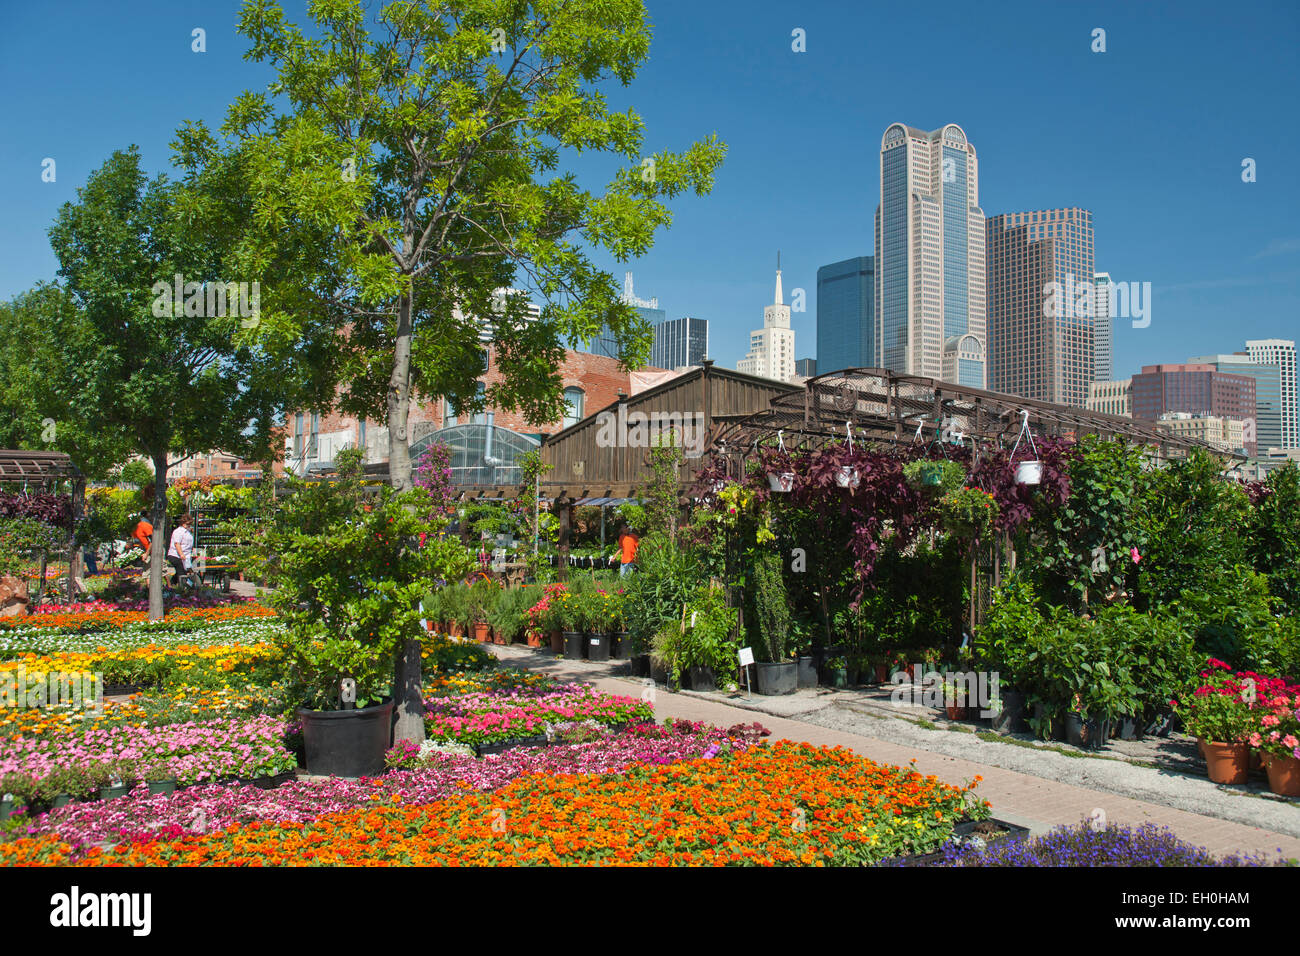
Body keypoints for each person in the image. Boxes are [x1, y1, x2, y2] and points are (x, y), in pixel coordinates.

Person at [167, 514, 196, 591]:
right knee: (181, 572)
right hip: (175, 555)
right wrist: (181, 554)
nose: (189, 525)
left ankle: (171, 584)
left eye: (190, 524)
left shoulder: (188, 532)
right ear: (183, 523)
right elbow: (177, 543)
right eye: (188, 524)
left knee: (184, 570)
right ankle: (182, 588)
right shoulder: (178, 531)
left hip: (186, 556)